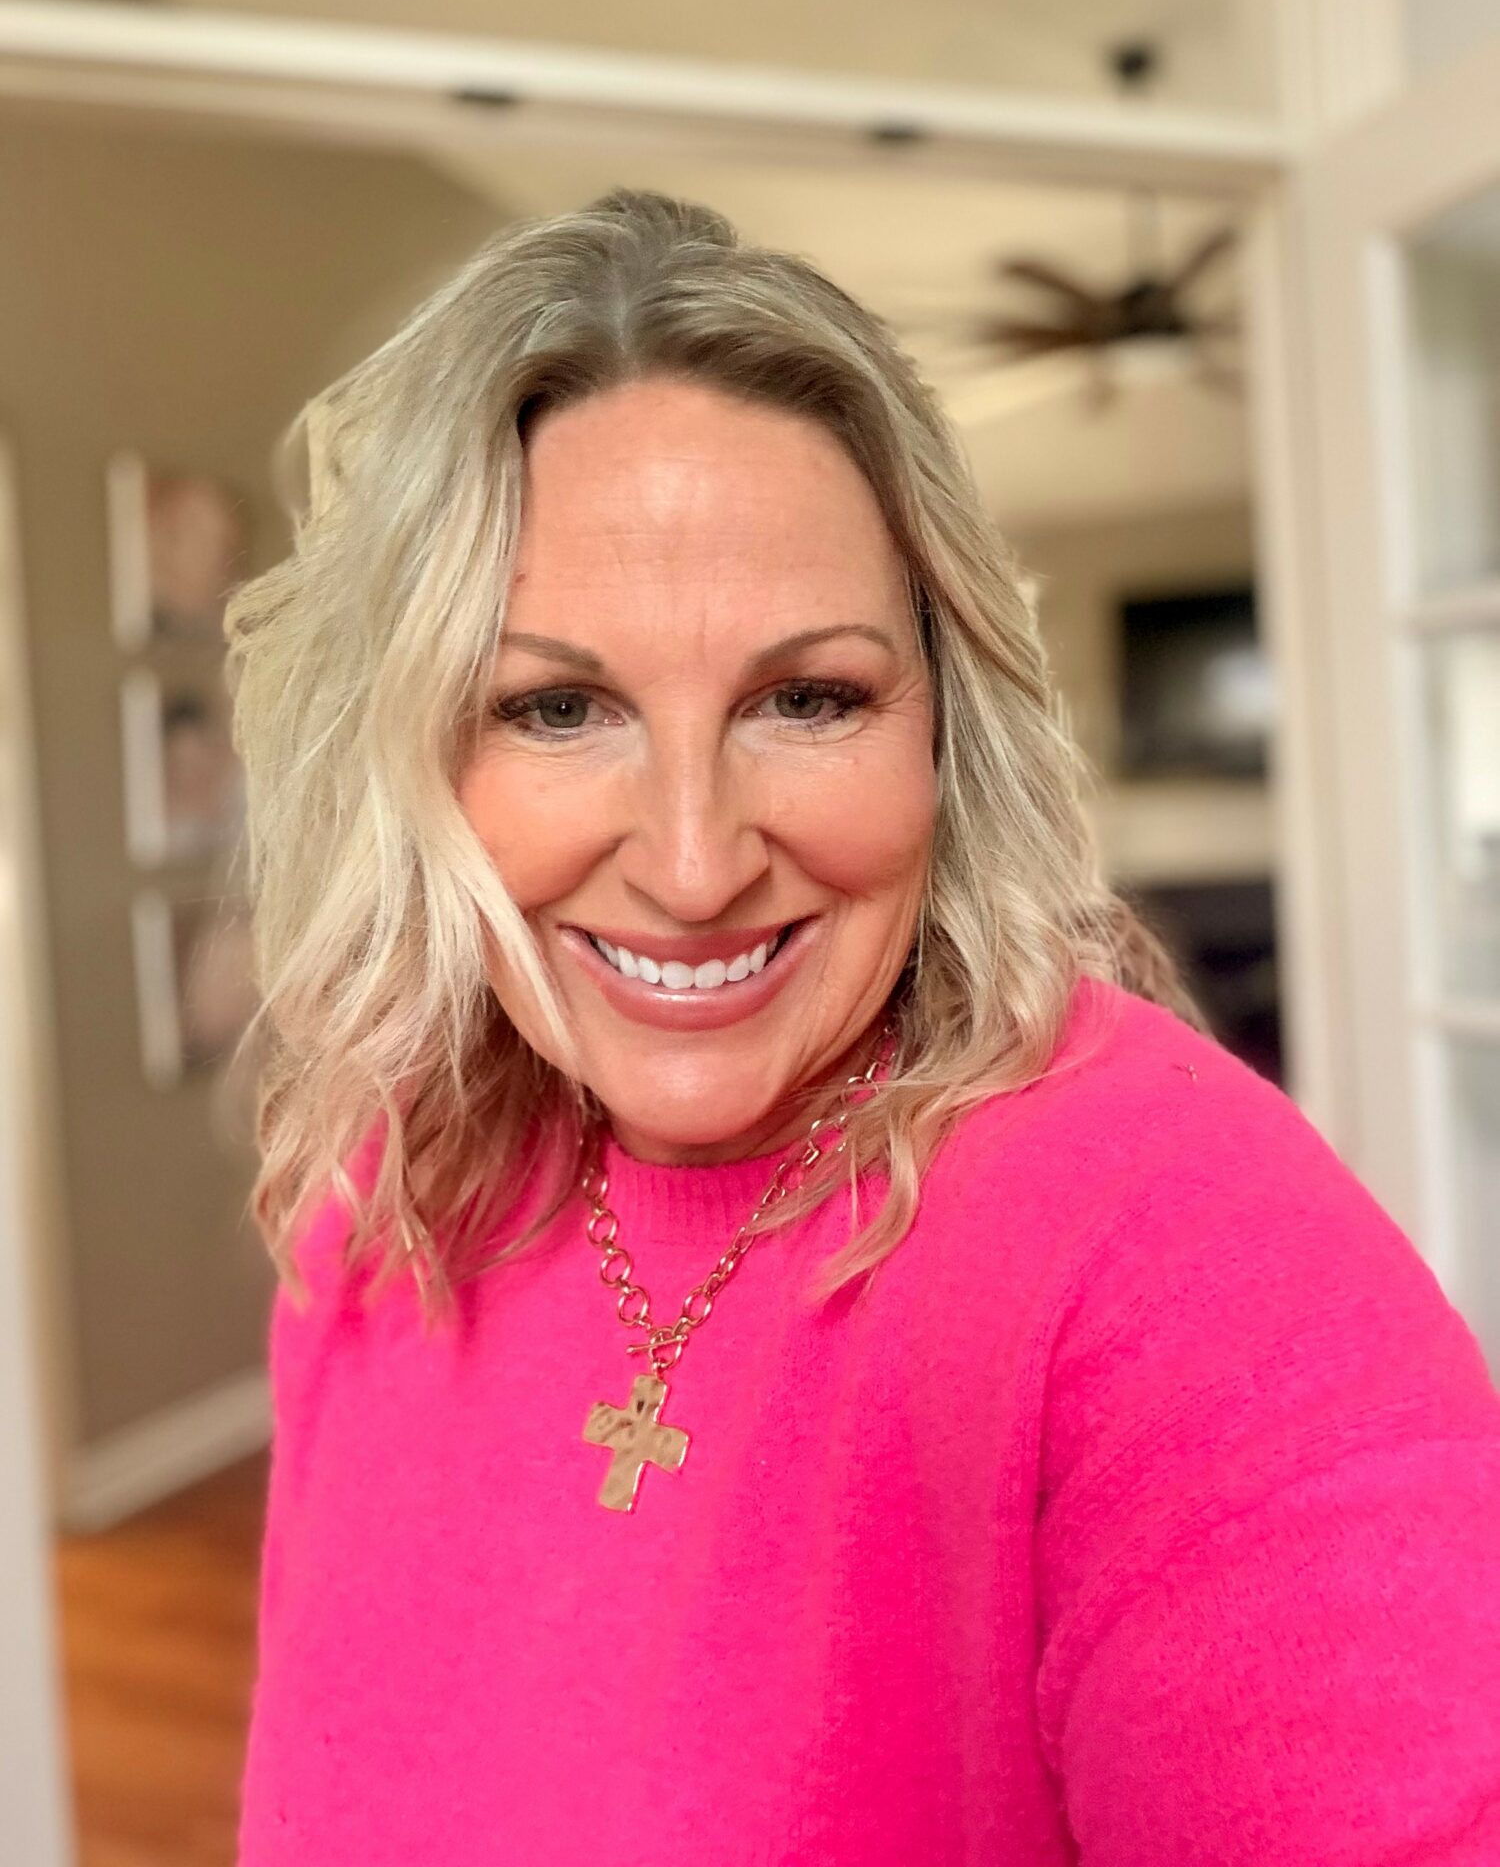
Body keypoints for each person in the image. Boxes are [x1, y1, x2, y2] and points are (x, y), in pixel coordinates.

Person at [226, 190, 1500, 1866]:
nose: (692, 863)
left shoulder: (1195, 1269)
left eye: (806, 699)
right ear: (419, 761)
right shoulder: (381, 1198)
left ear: (944, 730)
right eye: (556, 708)